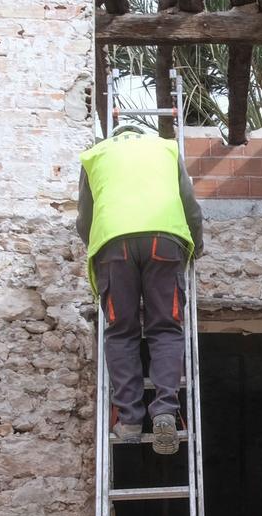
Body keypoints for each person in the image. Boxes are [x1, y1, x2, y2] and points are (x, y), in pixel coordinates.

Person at [75, 122, 205, 455]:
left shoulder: (95, 155)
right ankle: (164, 410)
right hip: (164, 241)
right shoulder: (166, 148)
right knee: (166, 328)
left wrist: (103, 245)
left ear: (114, 137)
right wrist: (196, 247)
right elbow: (190, 206)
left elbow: (84, 221)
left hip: (113, 247)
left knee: (121, 331)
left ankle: (130, 420)